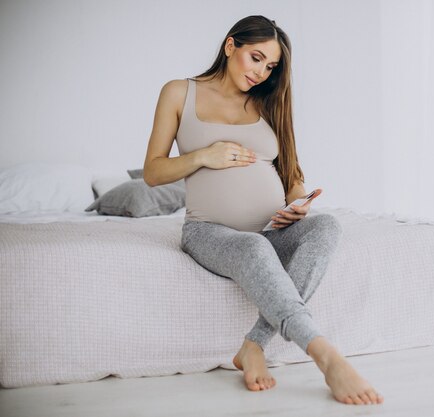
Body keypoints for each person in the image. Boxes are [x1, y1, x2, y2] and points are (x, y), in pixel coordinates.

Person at [142, 15, 383, 406]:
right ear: (230, 46)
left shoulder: (268, 101)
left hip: (273, 228)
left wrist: (296, 204)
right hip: (209, 231)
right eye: (256, 58)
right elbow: (153, 171)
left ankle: (254, 344)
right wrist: (205, 155)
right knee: (255, 250)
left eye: (270, 66)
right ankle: (326, 356)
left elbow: (291, 172)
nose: (260, 72)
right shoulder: (178, 92)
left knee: (326, 227)